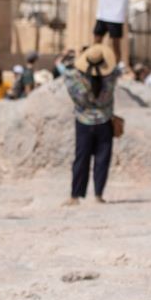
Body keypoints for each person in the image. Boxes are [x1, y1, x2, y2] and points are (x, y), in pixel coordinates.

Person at [60, 43, 118, 204]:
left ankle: (75, 196)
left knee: (81, 158)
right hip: (105, 121)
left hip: (83, 122)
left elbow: (66, 73)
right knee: (102, 159)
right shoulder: (111, 78)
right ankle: (98, 194)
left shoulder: (75, 79)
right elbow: (115, 69)